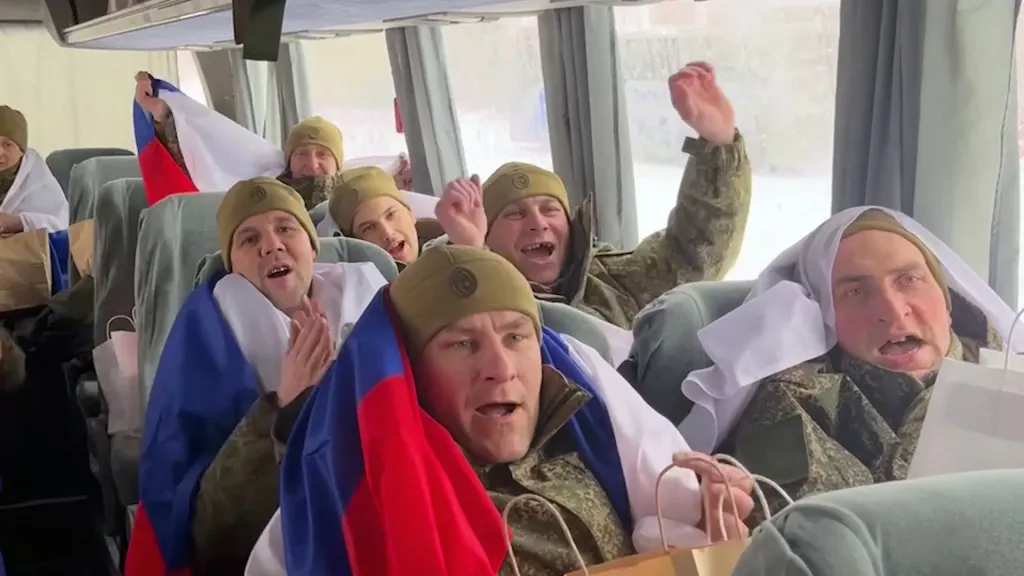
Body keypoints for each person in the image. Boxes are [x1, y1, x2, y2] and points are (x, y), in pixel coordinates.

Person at [245, 245, 756, 576]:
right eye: (462, 345)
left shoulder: (598, 441)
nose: (500, 367)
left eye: (516, 337)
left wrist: (706, 516)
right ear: (414, 378)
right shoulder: (344, 501)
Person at [125, 177, 389, 576]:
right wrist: (283, 405)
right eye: (248, 239)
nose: (271, 244)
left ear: (311, 245)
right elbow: (208, 529)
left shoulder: (372, 302)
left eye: (286, 228)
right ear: (232, 265)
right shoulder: (207, 334)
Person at [676, 207, 1016, 516]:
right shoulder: (800, 401)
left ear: (946, 298)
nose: (893, 311)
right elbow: (829, 539)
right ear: (825, 318)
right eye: (856, 292)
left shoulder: (1008, 369)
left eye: (909, 280)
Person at [439, 62, 752, 330]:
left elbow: (693, 257)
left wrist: (718, 144)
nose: (538, 223)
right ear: (487, 236)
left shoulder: (614, 280)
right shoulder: (456, 296)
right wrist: (471, 254)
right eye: (514, 214)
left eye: (550, 209)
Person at [133, 72, 413, 209]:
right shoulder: (260, 190)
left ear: (338, 164)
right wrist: (163, 114)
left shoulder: (357, 194)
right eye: (302, 153)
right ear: (288, 159)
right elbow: (200, 163)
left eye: (323, 155)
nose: (312, 164)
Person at [327, 166, 447, 265]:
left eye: (391, 215)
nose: (388, 234)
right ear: (356, 243)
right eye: (368, 228)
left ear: (410, 213)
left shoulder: (458, 246)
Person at [0, 105, 68, 234]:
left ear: (21, 151)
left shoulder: (39, 183)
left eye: (7, 144)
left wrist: (20, 222)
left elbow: (61, 227)